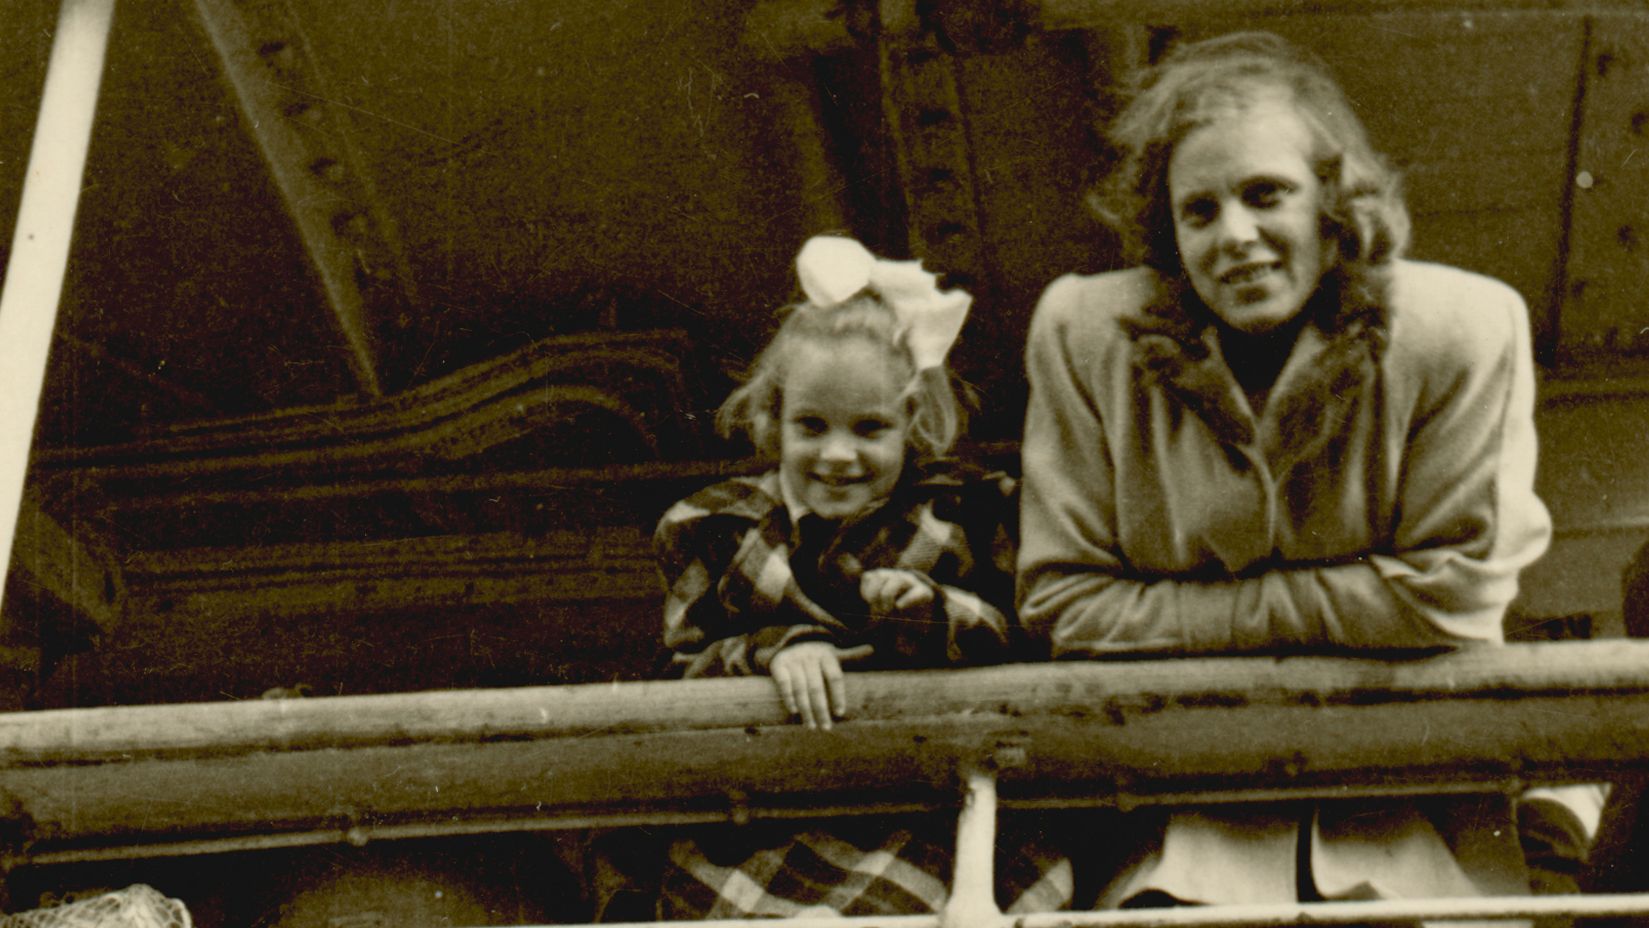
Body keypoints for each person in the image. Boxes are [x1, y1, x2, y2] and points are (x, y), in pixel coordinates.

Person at [1016, 32, 1552, 911]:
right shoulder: (1083, 336)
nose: (1234, 236)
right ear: (1167, 230)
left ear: (1333, 204)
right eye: (1198, 210)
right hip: (1175, 809)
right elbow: (1063, 602)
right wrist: (1355, 605)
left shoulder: (1463, 326)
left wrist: (1186, 610)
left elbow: (1454, 593)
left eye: (1266, 194)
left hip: (1410, 797)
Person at [650, 235, 1071, 918]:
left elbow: (1021, 639)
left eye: (868, 427)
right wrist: (776, 650)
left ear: (909, 421)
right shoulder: (715, 526)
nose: (837, 455)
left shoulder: (962, 514)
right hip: (766, 812)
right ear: (773, 417)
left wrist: (930, 611)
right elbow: (679, 669)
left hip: (928, 810)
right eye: (811, 425)